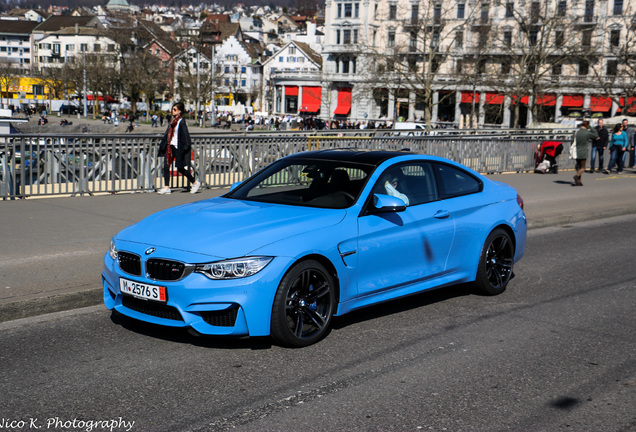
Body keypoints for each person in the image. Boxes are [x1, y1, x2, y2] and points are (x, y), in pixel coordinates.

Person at [157, 102, 201, 195]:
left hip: (178, 147)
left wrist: (186, 148)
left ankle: (195, 183)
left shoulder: (182, 121)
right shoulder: (173, 121)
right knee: (166, 166)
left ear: (180, 111)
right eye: (172, 109)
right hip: (170, 146)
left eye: (175, 109)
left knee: (180, 167)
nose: (172, 111)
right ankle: (166, 187)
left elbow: (186, 136)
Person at [572, 120, 598, 186]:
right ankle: (576, 176)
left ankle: (579, 181)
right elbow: (595, 135)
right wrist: (591, 128)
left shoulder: (576, 132)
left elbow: (572, 141)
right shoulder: (587, 133)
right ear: (587, 126)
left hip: (576, 151)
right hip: (583, 151)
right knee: (583, 167)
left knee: (578, 167)